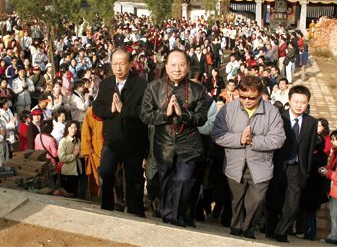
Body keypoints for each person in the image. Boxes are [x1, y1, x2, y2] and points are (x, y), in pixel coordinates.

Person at [212, 76, 285, 239]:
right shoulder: (228, 109)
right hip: (235, 164)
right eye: (243, 96)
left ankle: (248, 227)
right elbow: (217, 135)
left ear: (260, 94)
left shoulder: (272, 112)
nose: (246, 101)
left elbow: (278, 139)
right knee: (236, 201)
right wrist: (240, 139)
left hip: (261, 166)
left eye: (251, 97)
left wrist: (254, 140)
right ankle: (236, 227)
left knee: (257, 200)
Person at [141, 48, 208, 227]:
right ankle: (170, 215)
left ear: (187, 66)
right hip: (164, 145)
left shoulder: (198, 89)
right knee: (166, 183)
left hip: (189, 144)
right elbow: (145, 115)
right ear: (166, 66)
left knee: (183, 179)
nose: (177, 69)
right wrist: (166, 113)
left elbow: (202, 118)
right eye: (173, 65)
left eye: (181, 65)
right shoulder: (153, 87)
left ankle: (174, 216)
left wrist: (183, 114)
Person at [93, 47, 148, 217]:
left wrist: (123, 109)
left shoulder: (141, 85)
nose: (118, 68)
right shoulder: (106, 84)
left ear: (130, 64)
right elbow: (97, 108)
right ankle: (107, 208)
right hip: (112, 140)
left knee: (134, 181)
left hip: (134, 141)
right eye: (114, 64)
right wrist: (110, 110)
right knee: (106, 172)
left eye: (122, 64)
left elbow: (144, 113)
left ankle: (135, 213)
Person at [266, 85, 317, 243]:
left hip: (297, 167)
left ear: (307, 103)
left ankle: (281, 231)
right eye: (296, 101)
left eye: (303, 102)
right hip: (279, 165)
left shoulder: (311, 122)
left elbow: (309, 148)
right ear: (289, 101)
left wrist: (306, 170)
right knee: (274, 200)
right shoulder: (279, 117)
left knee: (293, 203)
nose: (299, 105)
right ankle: (270, 229)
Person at [81, 106, 104, 200]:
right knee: (95, 177)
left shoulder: (116, 107)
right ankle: (96, 197)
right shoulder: (92, 110)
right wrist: (88, 150)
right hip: (95, 150)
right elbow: (86, 131)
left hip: (111, 147)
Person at [319, 130, 337, 245]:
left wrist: (327, 173)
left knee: (335, 215)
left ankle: (334, 236)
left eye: (334, 139)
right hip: (334, 189)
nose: (332, 141)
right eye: (331, 139)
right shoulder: (335, 152)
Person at [58, 120, 82, 196]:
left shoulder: (77, 140)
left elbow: (79, 154)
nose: (74, 129)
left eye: (75, 128)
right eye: (71, 127)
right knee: (68, 194)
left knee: (74, 193)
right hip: (67, 171)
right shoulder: (63, 141)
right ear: (67, 129)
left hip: (76, 170)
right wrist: (73, 155)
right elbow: (61, 157)